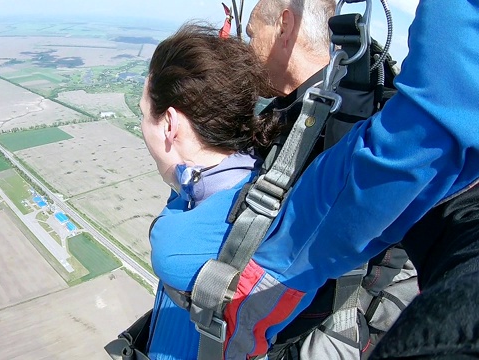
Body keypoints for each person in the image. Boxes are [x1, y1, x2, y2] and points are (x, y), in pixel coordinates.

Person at [236, 0, 479, 358]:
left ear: (285, 26)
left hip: (325, 325)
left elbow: (421, 137)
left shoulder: (350, 119)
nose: (247, 49)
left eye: (252, 34)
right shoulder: (340, 100)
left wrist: (264, 272)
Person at [138, 24, 280, 359]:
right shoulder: (255, 179)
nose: (142, 126)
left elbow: (170, 240)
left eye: (144, 115)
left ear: (171, 125)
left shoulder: (179, 241)